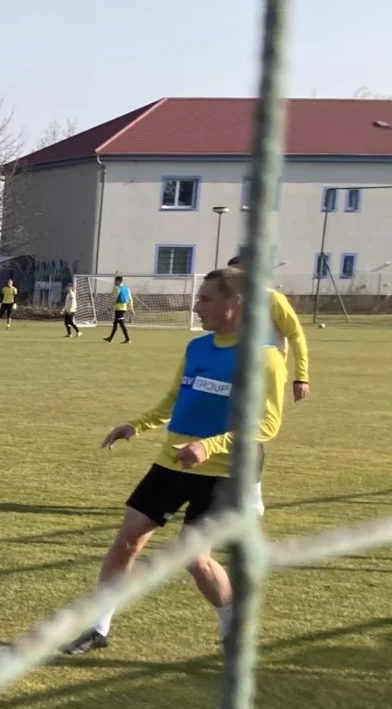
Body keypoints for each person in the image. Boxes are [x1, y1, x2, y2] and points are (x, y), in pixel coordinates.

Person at [61, 267, 286, 655]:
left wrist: (209, 446)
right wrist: (135, 425)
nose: (196, 307)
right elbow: (175, 400)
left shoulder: (264, 357)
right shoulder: (197, 348)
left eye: (205, 299)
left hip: (224, 472)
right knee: (127, 542)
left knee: (195, 558)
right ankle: (98, 628)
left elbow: (267, 424)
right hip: (173, 461)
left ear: (235, 303)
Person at [226, 252, 311, 402]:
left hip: (268, 374)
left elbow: (295, 335)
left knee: (263, 416)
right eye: (230, 274)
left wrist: (301, 377)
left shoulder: (273, 299)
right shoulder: (227, 301)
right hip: (232, 373)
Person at [105, 275, 132, 343]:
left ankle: (127, 339)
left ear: (119, 281)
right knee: (115, 323)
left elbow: (114, 298)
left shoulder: (116, 288)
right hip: (124, 307)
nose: (115, 282)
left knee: (122, 324)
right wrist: (131, 307)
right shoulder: (127, 288)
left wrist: (110, 307)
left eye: (116, 281)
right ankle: (110, 338)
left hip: (118, 308)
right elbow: (130, 299)